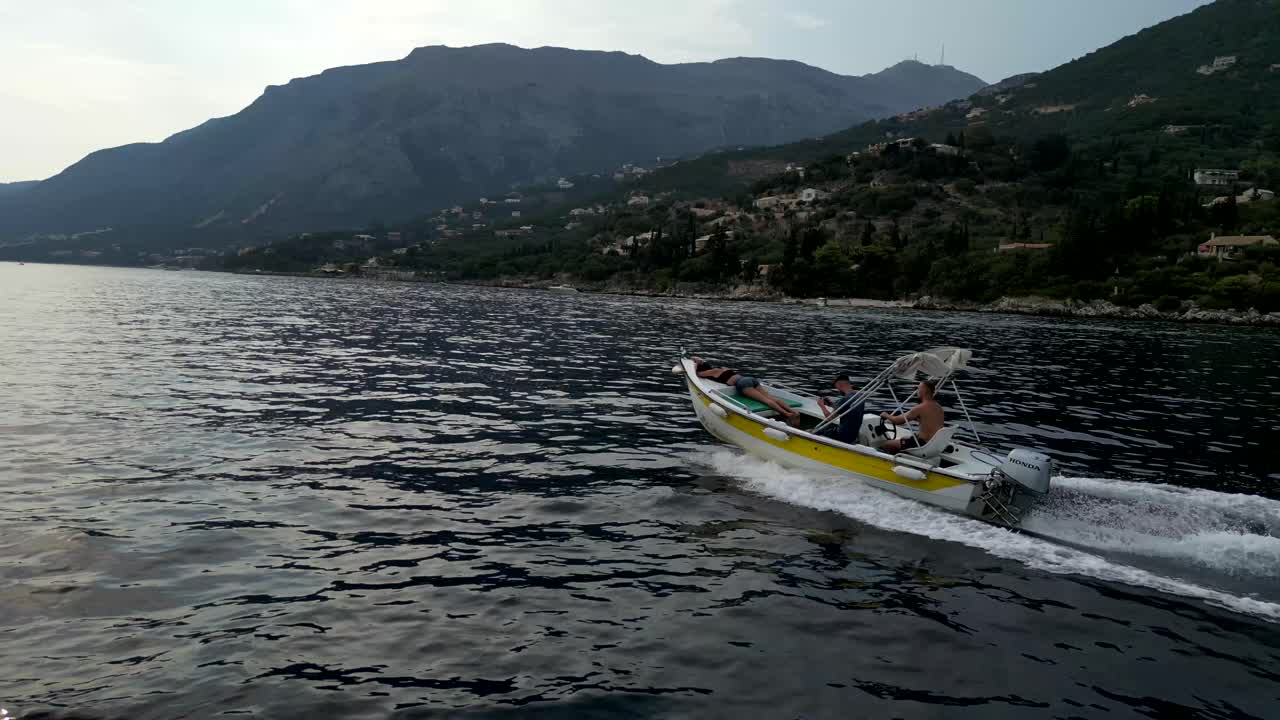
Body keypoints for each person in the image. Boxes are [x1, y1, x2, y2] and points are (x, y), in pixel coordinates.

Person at [691, 356, 800, 422]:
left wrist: (693, 365)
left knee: (766, 401)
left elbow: (698, 373)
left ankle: (788, 415)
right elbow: (703, 362)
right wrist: (699, 360)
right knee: (771, 397)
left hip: (742, 384)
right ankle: (792, 411)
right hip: (749, 378)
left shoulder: (712, 371)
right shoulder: (723, 368)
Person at [879, 379, 944, 453]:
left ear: (924, 391)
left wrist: (886, 415)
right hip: (933, 444)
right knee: (905, 438)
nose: (917, 391)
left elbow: (898, 421)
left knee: (886, 444)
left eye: (918, 388)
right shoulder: (939, 408)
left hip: (922, 445)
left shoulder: (920, 408)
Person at [817, 374, 864, 444]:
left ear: (839, 385)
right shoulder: (860, 396)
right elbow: (846, 407)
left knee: (816, 431)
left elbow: (830, 418)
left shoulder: (845, 399)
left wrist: (822, 406)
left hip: (842, 435)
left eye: (837, 387)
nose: (838, 390)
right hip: (853, 435)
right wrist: (830, 404)